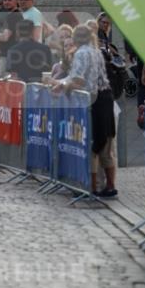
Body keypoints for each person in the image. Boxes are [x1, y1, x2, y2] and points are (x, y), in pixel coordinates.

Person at [52, 24, 117, 197]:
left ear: (75, 38)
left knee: (92, 146)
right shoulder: (96, 51)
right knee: (105, 145)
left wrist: (62, 87)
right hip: (105, 98)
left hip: (92, 101)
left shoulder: (81, 53)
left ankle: (92, 187)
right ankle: (110, 186)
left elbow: (78, 81)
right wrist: (63, 83)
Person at [0, 0, 24, 74]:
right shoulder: (18, 15)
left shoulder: (13, 16)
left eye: (9, 0)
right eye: (5, 0)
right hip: (14, 54)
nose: (6, 2)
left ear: (16, 1)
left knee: (5, 82)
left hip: (8, 55)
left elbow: (5, 37)